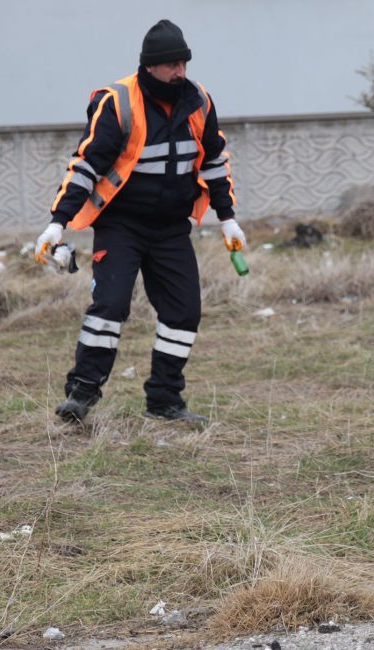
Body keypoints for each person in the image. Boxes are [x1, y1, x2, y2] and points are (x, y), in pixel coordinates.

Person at [35, 19, 246, 424]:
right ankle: (81, 394)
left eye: (183, 62)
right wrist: (57, 223)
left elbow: (215, 160)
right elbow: (85, 166)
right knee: (109, 307)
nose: (179, 71)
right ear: (149, 66)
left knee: (184, 312)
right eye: (171, 65)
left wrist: (228, 218)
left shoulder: (199, 101)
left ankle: (164, 400)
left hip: (171, 228)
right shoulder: (117, 102)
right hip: (122, 226)